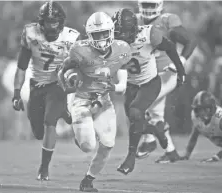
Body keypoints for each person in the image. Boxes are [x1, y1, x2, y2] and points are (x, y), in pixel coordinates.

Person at [58, 12, 130, 192]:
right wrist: (67, 83)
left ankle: (88, 180)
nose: (101, 38)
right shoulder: (79, 50)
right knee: (88, 146)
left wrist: (117, 87)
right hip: (80, 99)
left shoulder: (122, 49)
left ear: (112, 32)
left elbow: (122, 80)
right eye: (97, 34)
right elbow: (62, 70)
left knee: (108, 144)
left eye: (104, 33)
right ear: (89, 35)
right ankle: (78, 135)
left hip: (103, 100)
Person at [112, 8, 186, 175]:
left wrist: (181, 71)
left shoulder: (149, 34)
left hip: (149, 83)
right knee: (135, 121)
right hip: (131, 85)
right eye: (118, 32)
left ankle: (130, 157)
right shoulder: (112, 39)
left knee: (136, 112)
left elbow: (171, 48)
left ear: (132, 29)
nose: (121, 36)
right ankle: (156, 130)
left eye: (123, 32)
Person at [12, 1, 80, 180]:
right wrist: (17, 92)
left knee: (50, 122)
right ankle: (63, 111)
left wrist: (73, 78)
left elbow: (78, 65)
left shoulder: (71, 38)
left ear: (61, 22)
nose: (52, 26)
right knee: (38, 133)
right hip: (36, 85)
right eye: (48, 22)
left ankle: (44, 168)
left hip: (57, 85)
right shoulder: (31, 34)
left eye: (55, 22)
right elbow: (21, 67)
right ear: (41, 22)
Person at [135, 0, 197, 163]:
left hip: (167, 73)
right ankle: (171, 153)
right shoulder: (135, 21)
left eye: (151, 5)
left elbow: (191, 41)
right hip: (149, 75)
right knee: (156, 116)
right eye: (145, 5)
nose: (148, 9)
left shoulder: (167, 20)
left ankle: (149, 139)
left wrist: (181, 61)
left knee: (141, 104)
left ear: (160, 6)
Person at [180, 91, 222, 162]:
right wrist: (186, 155)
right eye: (197, 110)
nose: (198, 113)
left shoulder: (219, 120)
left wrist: (217, 157)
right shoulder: (197, 118)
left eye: (200, 109)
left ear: (209, 109)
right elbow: (194, 136)